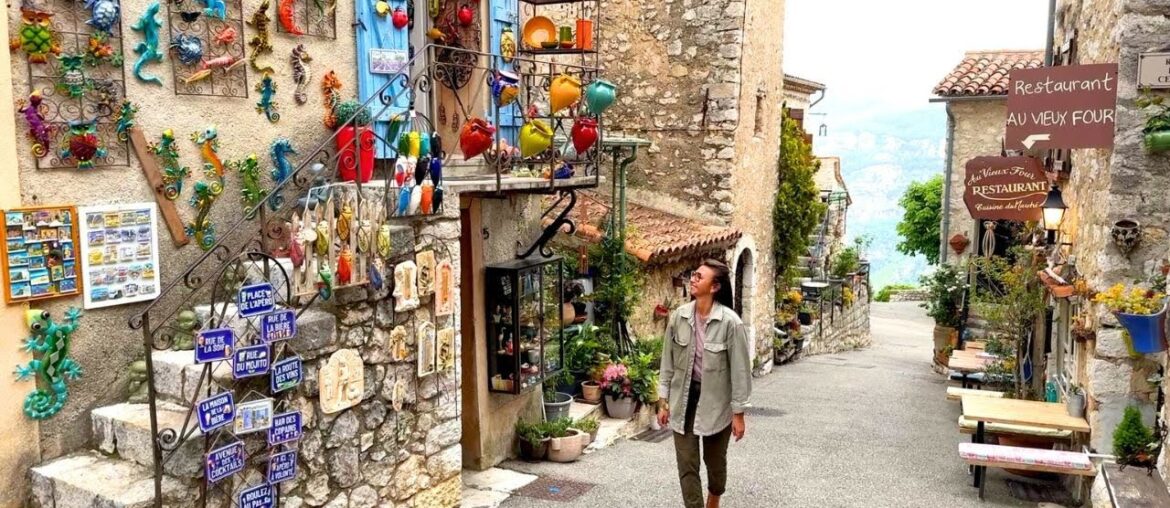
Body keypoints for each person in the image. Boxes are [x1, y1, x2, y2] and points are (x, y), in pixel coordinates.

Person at [658, 259, 752, 508]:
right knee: (687, 463)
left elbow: (741, 371)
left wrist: (738, 413)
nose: (693, 279)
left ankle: (715, 497)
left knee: (715, 462)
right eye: (694, 275)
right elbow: (667, 361)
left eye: (700, 277)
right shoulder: (679, 317)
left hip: (717, 403)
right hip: (684, 399)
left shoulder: (731, 323)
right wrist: (662, 400)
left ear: (714, 287)